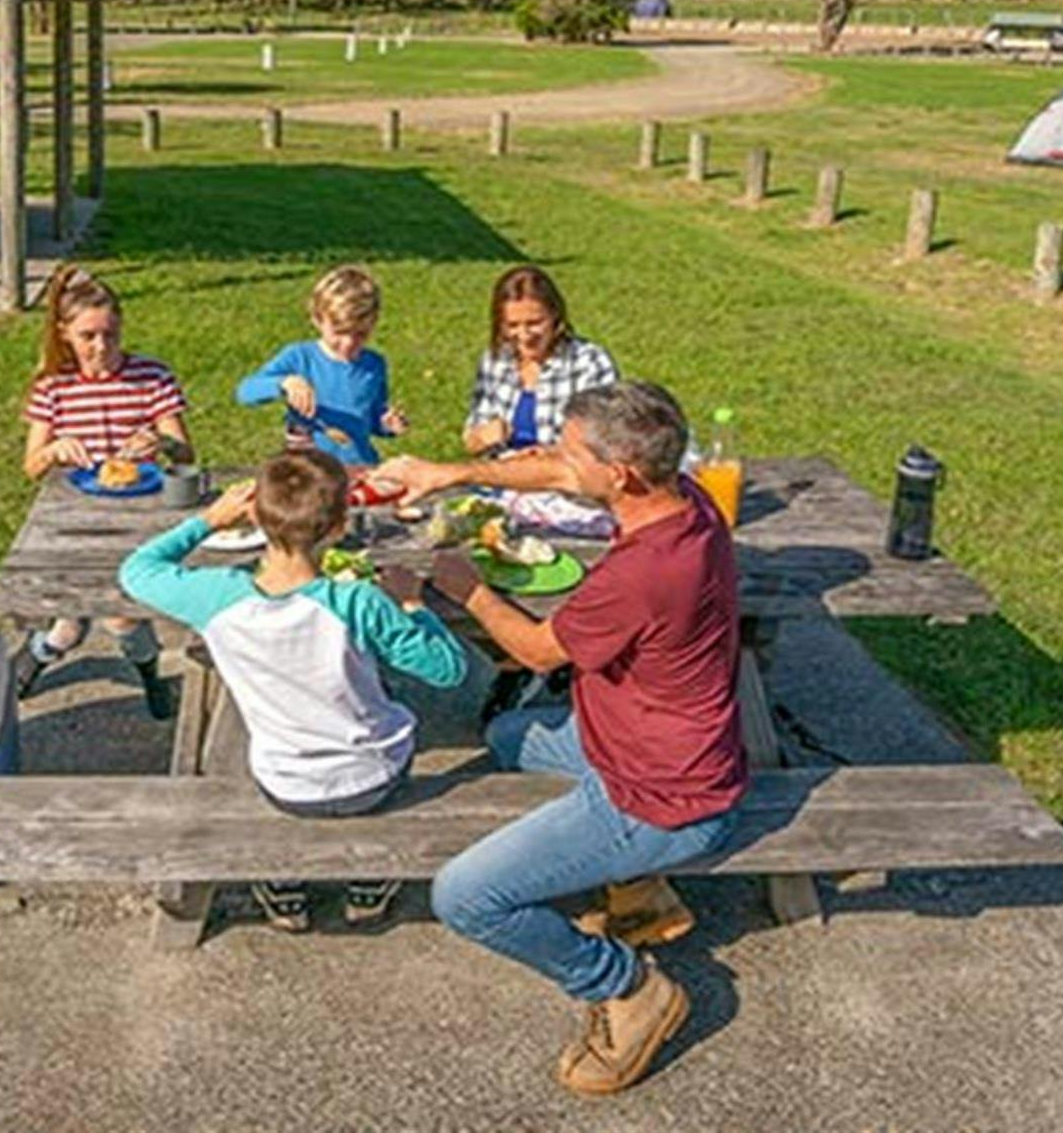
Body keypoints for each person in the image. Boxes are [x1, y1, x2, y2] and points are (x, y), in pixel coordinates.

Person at [378, 381, 746, 1097]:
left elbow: (542, 653)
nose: (554, 458)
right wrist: (450, 473)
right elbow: (555, 470)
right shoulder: (687, 499)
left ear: (621, 476)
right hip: (654, 742)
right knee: (512, 735)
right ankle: (639, 888)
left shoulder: (644, 573)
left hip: (662, 794)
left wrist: (467, 588)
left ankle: (630, 989)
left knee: (466, 898)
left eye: (573, 453)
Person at [119, 448, 472, 930]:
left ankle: (284, 888)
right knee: (391, 701)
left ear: (256, 519)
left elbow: (136, 571)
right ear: (338, 527)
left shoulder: (215, 595)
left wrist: (207, 521)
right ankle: (369, 884)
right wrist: (412, 604)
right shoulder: (358, 601)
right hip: (374, 777)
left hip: (283, 780)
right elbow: (448, 669)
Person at [18, 264, 194, 719]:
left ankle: (150, 676)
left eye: (110, 335)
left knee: (121, 614)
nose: (101, 348)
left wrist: (163, 443)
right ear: (65, 335)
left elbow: (184, 453)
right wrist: (54, 450)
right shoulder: (53, 388)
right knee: (70, 623)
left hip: (136, 514)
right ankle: (37, 656)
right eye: (88, 337)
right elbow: (31, 468)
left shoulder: (151, 376)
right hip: (73, 518)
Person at [237, 264, 407, 467]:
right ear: (317, 319)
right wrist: (284, 383)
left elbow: (370, 417)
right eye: (339, 333)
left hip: (359, 466)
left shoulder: (373, 365)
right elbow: (245, 392)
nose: (348, 343)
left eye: (360, 334)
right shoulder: (300, 358)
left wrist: (387, 423)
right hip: (308, 470)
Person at [463, 265, 619, 457]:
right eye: (512, 325)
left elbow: (604, 444)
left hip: (562, 480)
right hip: (500, 477)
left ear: (555, 316)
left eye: (534, 323)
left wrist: (546, 456)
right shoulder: (496, 360)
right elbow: (472, 442)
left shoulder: (588, 362)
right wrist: (481, 437)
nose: (524, 335)